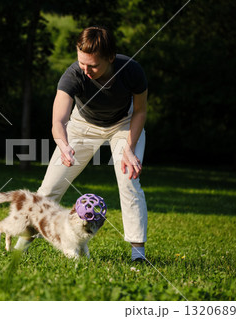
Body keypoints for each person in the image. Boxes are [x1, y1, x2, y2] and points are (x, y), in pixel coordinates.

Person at [31, 26, 148, 262]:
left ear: (110, 58)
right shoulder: (74, 75)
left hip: (123, 125)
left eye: (93, 65)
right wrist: (63, 145)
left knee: (129, 183)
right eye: (82, 63)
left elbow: (141, 111)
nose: (86, 70)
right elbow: (58, 120)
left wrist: (129, 148)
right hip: (82, 125)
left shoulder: (132, 71)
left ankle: (138, 255)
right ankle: (23, 241)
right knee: (49, 187)